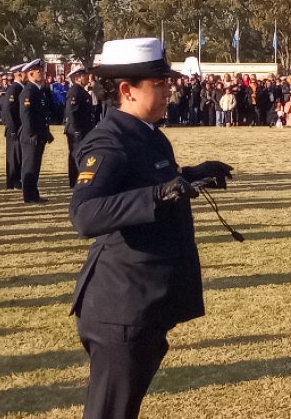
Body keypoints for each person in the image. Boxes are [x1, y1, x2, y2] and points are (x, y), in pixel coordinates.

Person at [69, 38, 233, 419]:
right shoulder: (110, 141)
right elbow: (86, 214)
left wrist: (191, 175)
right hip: (120, 307)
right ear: (126, 90)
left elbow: (146, 183)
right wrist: (159, 194)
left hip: (143, 305)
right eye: (158, 84)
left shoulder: (146, 133)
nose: (167, 90)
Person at [19, 59, 54, 203]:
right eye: (39, 72)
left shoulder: (39, 91)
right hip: (31, 136)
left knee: (35, 165)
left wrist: (46, 132)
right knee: (30, 165)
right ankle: (29, 196)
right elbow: (26, 116)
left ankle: (34, 194)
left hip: (39, 134)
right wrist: (32, 134)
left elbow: (42, 115)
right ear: (31, 74)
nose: (42, 74)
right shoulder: (28, 92)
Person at [65, 67, 94, 188]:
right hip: (77, 130)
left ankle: (76, 180)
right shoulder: (75, 91)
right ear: (77, 78)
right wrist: (77, 130)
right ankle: (75, 180)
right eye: (84, 75)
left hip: (83, 129)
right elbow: (72, 112)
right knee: (76, 154)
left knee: (79, 154)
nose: (87, 77)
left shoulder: (81, 91)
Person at [0, 63, 26, 190]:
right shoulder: (14, 89)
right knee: (13, 156)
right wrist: (12, 130)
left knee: (19, 155)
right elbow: (8, 111)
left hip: (20, 128)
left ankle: (18, 179)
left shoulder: (22, 88)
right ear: (19, 74)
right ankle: (13, 181)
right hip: (14, 129)